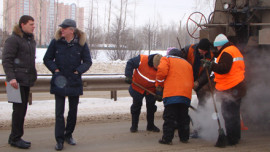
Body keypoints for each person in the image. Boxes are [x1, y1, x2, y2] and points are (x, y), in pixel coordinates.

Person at [43, 19, 92, 151]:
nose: (61, 30)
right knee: (59, 113)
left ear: (72, 30)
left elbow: (88, 61)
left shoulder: (81, 44)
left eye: (64, 28)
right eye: (61, 27)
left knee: (73, 111)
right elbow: (47, 59)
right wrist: (55, 70)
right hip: (59, 81)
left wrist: (78, 71)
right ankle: (59, 140)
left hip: (74, 81)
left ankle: (68, 134)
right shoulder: (56, 42)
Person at [201, 33, 246, 146]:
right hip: (237, 87)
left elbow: (224, 68)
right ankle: (235, 137)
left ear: (221, 45)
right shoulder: (234, 50)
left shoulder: (226, 53)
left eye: (217, 47)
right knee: (234, 114)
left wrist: (211, 65)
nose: (217, 49)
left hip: (230, 88)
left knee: (228, 114)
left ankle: (231, 138)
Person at [2, 15, 37, 149]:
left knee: (22, 110)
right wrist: (11, 78)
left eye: (34, 24)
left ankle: (15, 137)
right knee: (18, 111)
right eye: (31, 24)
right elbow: (6, 60)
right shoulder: (13, 40)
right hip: (14, 82)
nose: (33, 26)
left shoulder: (29, 40)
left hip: (25, 80)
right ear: (22, 25)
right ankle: (16, 138)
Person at [155, 49, 194, 145]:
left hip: (172, 93)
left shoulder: (167, 59)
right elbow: (192, 80)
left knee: (170, 117)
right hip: (185, 94)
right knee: (183, 117)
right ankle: (184, 138)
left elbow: (162, 71)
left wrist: (159, 84)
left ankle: (167, 139)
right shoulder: (187, 64)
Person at [181, 38, 214, 138]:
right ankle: (178, 124)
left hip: (199, 80)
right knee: (180, 100)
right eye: (201, 50)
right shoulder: (189, 49)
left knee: (203, 99)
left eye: (204, 51)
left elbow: (206, 73)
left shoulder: (210, 56)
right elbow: (179, 60)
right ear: (198, 47)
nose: (202, 52)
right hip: (185, 77)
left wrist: (198, 82)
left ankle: (200, 126)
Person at [125, 54, 162, 133]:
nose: (157, 69)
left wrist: (159, 94)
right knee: (136, 106)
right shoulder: (142, 60)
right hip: (137, 88)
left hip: (151, 91)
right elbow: (130, 63)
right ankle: (134, 126)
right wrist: (128, 75)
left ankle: (150, 126)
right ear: (153, 63)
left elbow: (160, 82)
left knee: (151, 107)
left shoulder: (162, 68)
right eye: (156, 67)